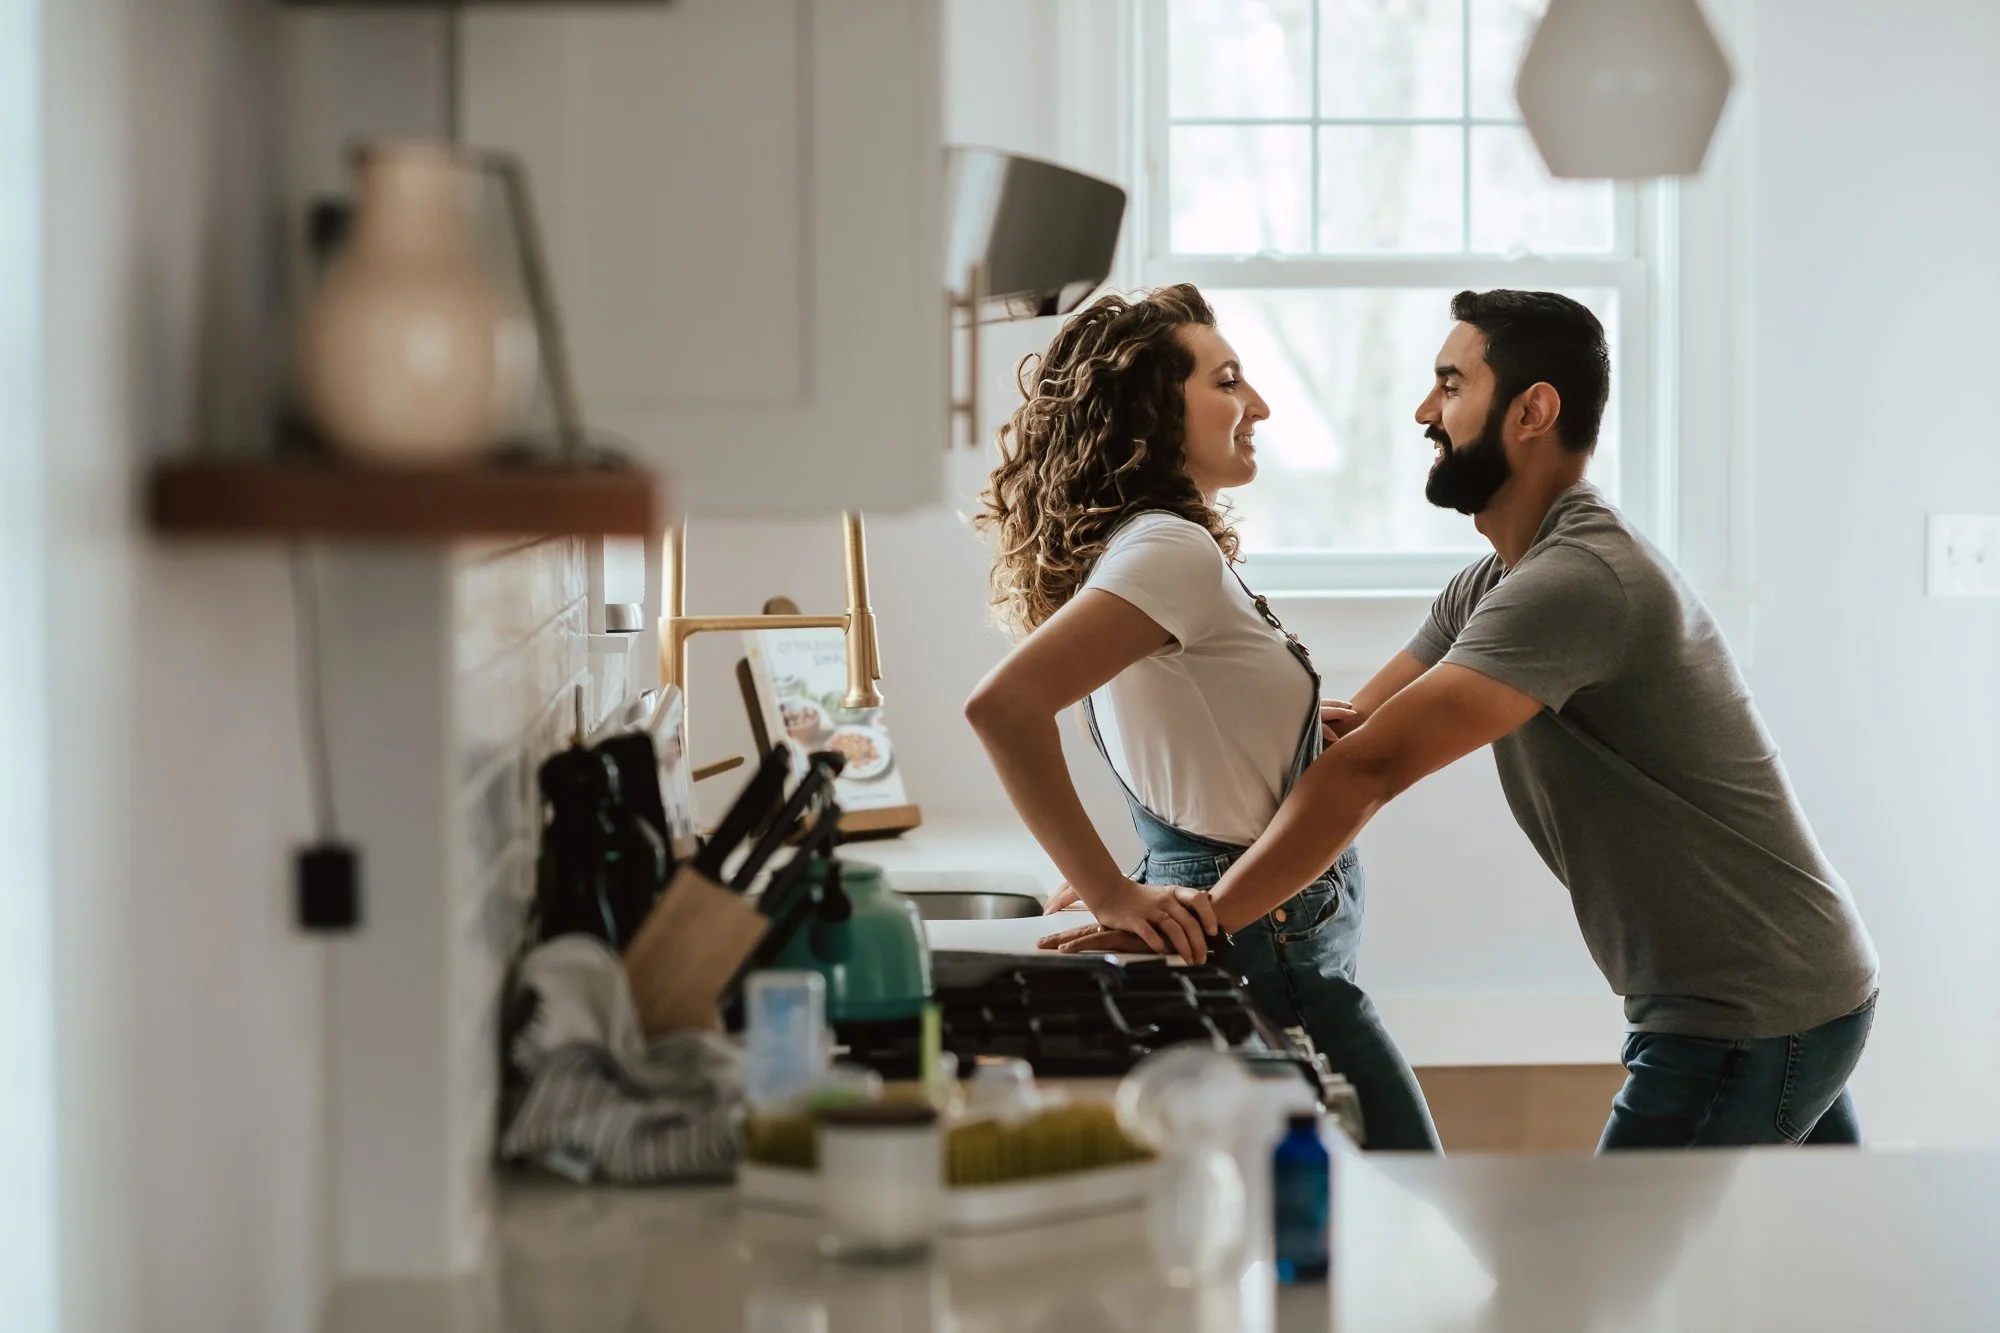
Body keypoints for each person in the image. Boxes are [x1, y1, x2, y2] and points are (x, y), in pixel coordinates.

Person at [1044, 289, 1880, 1150]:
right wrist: (1153, 866)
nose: (1423, 411)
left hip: (1749, 1012)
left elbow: (1366, 773)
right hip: (1789, 983)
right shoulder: (1495, 584)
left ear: (1533, 411)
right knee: (1798, 1263)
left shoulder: (1576, 583)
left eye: (1449, 384)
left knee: (1612, 1270)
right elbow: (1347, 736)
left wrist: (1201, 921)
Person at [965, 284, 1441, 1152]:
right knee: (1402, 1188)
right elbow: (1003, 708)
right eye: (1227, 382)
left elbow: (1175, 716)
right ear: (1151, 412)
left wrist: (1278, 729)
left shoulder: (1145, 547)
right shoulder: (1170, 550)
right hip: (1271, 943)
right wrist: (1111, 885)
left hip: (1256, 932)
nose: (1257, 404)